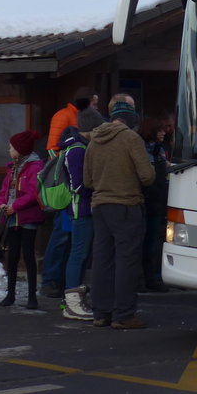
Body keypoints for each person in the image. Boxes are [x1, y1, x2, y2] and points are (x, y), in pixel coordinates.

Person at [84, 97, 154, 329]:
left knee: (102, 260)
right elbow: (147, 176)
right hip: (125, 205)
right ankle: (123, 315)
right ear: (131, 119)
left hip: (100, 205)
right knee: (126, 260)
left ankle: (100, 313)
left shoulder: (95, 140)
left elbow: (87, 180)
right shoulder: (131, 139)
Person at [40, 86, 98, 298]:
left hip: (72, 182)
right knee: (62, 235)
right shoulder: (64, 116)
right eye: (94, 102)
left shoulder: (78, 117)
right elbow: (52, 149)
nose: (96, 107)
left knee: (71, 237)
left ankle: (64, 280)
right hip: (67, 185)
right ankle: (51, 279)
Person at [57, 106, 104, 321]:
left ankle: (75, 299)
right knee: (78, 253)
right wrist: (97, 187)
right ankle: (72, 303)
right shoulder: (77, 150)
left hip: (83, 209)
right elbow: (78, 185)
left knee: (81, 254)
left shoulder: (80, 146)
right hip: (81, 209)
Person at [0, 129, 45, 308]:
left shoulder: (35, 167)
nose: (9, 150)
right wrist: (1, 204)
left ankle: (32, 296)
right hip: (11, 218)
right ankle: (11, 294)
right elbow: (3, 191)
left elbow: (33, 193)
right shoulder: (12, 168)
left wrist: (14, 206)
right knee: (13, 255)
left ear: (20, 149)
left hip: (27, 216)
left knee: (28, 255)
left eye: (11, 147)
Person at [139, 116, 172, 292]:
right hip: (148, 200)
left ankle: (153, 277)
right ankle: (145, 278)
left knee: (156, 239)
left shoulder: (159, 150)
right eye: (159, 130)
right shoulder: (143, 149)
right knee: (146, 240)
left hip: (159, 200)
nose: (163, 133)